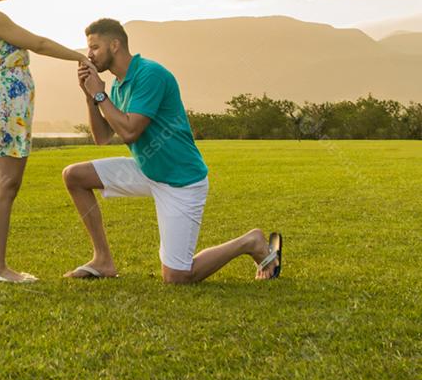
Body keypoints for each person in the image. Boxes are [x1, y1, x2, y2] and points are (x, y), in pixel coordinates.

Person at [62, 18, 282, 283]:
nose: (89, 55)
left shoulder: (149, 74)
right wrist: (90, 97)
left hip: (181, 180)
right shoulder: (119, 85)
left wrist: (100, 96)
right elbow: (102, 137)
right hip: (147, 169)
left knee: (177, 277)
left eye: (95, 47)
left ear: (115, 45)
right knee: (74, 175)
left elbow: (131, 130)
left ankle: (251, 241)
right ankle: (103, 260)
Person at [0, 0, 90, 284]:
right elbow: (40, 43)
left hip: (8, 106)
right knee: (6, 183)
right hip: (4, 107)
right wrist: (79, 56)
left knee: (6, 183)